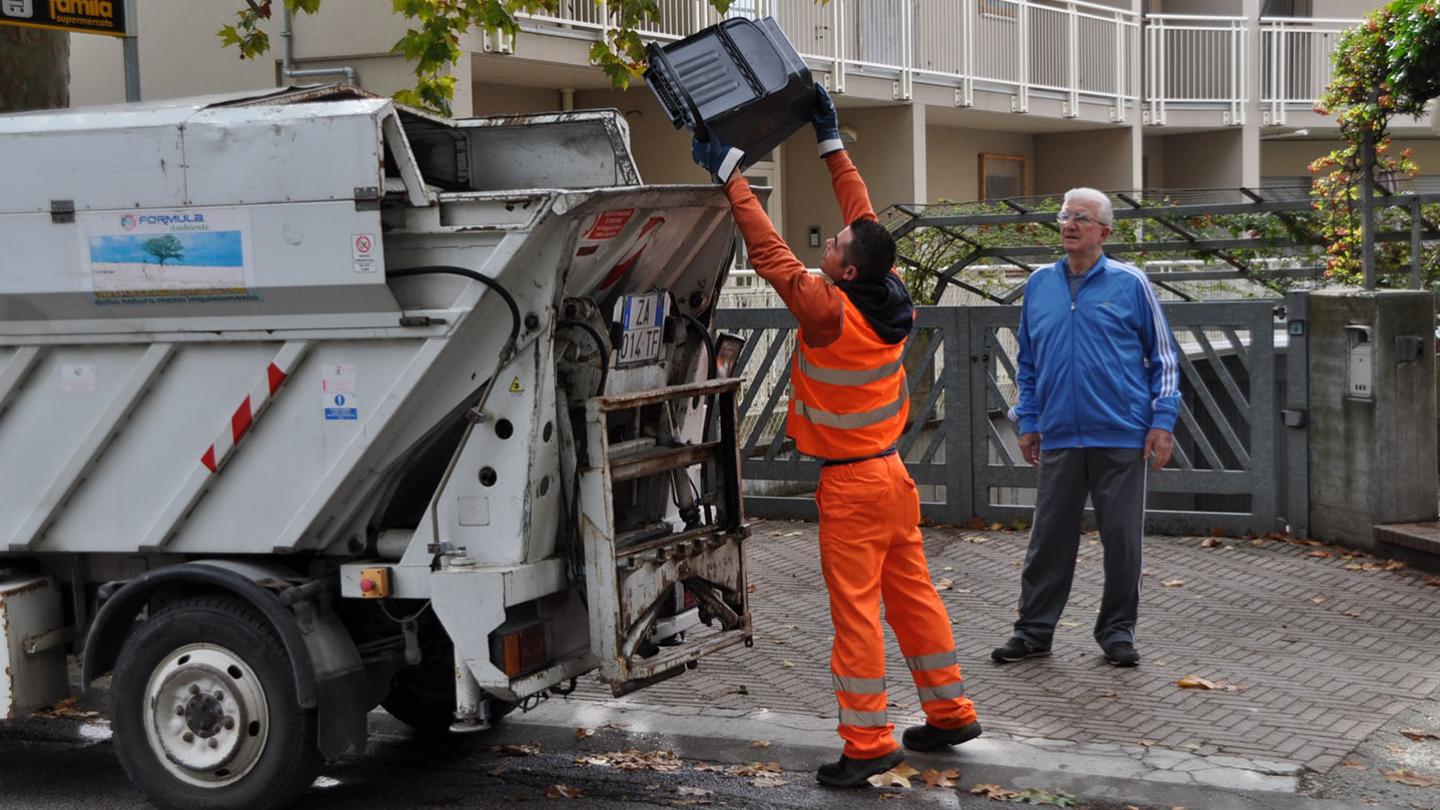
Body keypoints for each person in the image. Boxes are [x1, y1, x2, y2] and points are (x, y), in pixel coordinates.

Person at [690, 85, 981, 788]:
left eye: (838, 246)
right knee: (912, 597)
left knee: (857, 616)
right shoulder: (892, 295)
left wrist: (729, 174)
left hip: (851, 485)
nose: (835, 236)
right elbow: (863, 216)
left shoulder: (828, 312)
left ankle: (868, 742)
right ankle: (950, 714)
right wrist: (829, 141)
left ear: (846, 269)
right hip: (892, 477)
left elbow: (770, 254)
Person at [995, 188, 1180, 668]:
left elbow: (1163, 357)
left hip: (1121, 433)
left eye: (1081, 217)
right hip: (1058, 433)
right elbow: (1028, 360)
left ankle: (1117, 632)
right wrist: (1029, 420)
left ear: (1104, 231)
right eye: (1064, 216)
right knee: (1048, 540)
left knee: (1122, 540)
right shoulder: (1039, 284)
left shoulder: (1130, 283)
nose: (1069, 224)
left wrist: (1162, 422)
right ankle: (1033, 631)